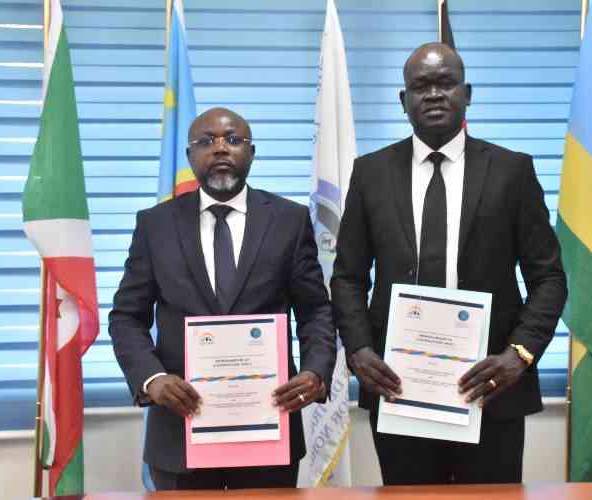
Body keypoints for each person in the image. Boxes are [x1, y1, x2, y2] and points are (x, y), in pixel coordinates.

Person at [331, 43, 567, 485]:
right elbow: (347, 277)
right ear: (403, 100)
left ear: (467, 94)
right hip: (399, 386)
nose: (434, 94)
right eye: (421, 86)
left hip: (491, 388)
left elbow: (549, 277)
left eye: (446, 83)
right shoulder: (370, 173)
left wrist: (519, 355)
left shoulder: (512, 171)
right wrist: (359, 350)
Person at [109, 107, 336, 490]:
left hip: (268, 427)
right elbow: (126, 317)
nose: (219, 148)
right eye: (205, 141)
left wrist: (315, 371)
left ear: (252, 152)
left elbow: (314, 310)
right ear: (189, 155)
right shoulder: (155, 224)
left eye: (232, 139)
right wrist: (152, 379)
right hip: (180, 431)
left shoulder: (289, 220)